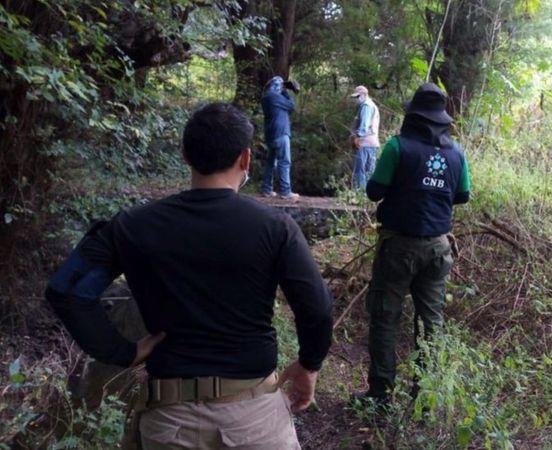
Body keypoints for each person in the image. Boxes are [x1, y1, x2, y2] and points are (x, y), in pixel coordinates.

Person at [45, 103, 333, 449]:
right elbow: (316, 308)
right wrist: (308, 365)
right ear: (245, 159)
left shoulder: (133, 226)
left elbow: (68, 291)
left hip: (170, 421)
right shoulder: (276, 228)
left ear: (185, 155)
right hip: (255, 418)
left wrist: (121, 351)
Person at [354, 83, 471, 403]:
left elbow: (373, 191)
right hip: (438, 249)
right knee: (431, 323)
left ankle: (380, 396)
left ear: (413, 116)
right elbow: (462, 195)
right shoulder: (457, 153)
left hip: (398, 249)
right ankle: (423, 399)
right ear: (442, 119)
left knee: (385, 318)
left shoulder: (397, 147)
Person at [261, 75, 300, 200]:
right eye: (281, 85)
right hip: (281, 133)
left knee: (270, 163)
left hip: (270, 134)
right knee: (284, 162)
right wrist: (285, 92)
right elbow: (292, 106)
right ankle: (285, 191)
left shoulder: (266, 97)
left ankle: (267, 190)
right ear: (277, 86)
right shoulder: (276, 97)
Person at [349, 85, 380, 190]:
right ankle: (368, 197)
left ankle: (359, 195)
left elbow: (364, 126)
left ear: (364, 95)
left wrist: (357, 137)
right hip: (373, 142)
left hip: (364, 142)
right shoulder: (372, 105)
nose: (356, 99)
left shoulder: (366, 106)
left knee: (360, 170)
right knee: (370, 171)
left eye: (358, 96)